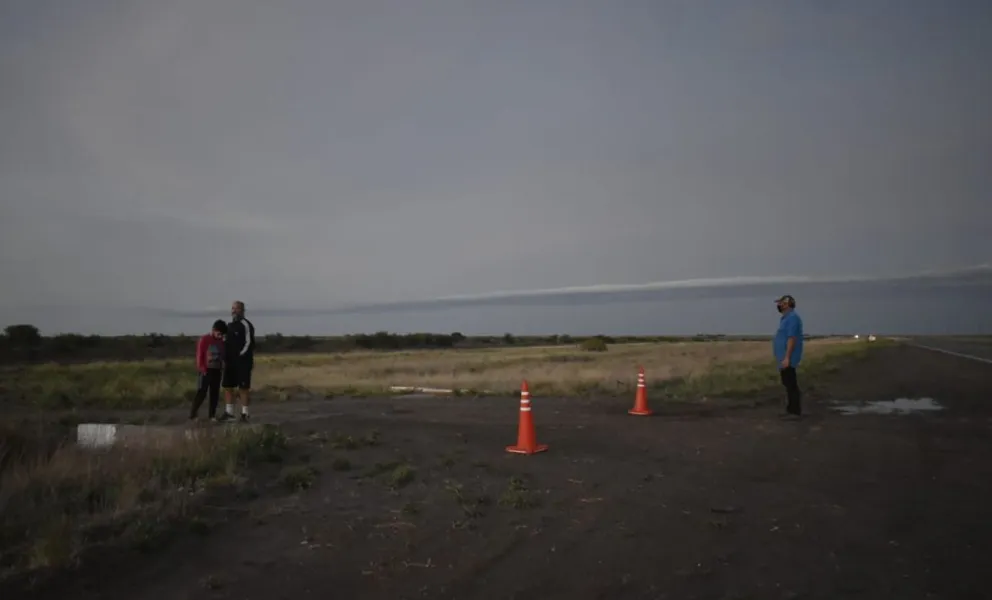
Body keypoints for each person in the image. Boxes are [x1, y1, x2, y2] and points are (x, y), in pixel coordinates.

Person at [219, 300, 256, 423]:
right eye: (233, 308)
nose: (234, 310)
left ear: (242, 310)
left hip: (243, 363)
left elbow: (249, 343)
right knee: (228, 387)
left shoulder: (246, 325)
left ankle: (245, 414)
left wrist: (239, 356)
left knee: (243, 388)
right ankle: (229, 413)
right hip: (230, 363)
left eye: (237, 308)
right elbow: (224, 342)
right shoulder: (229, 326)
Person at [773, 294, 804, 419]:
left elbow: (792, 338)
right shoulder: (786, 319)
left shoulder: (792, 318)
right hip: (784, 358)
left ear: (786, 304)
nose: (778, 306)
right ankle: (791, 409)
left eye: (780, 303)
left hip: (788, 358)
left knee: (791, 384)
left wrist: (787, 357)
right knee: (787, 383)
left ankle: (794, 411)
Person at [189, 319, 227, 421]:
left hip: (217, 370)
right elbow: (199, 355)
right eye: (219, 334)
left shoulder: (221, 342)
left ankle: (212, 415)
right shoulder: (204, 339)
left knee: (214, 393)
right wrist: (202, 369)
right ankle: (193, 414)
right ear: (214, 330)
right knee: (201, 392)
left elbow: (223, 355)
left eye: (222, 335)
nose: (220, 336)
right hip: (206, 370)